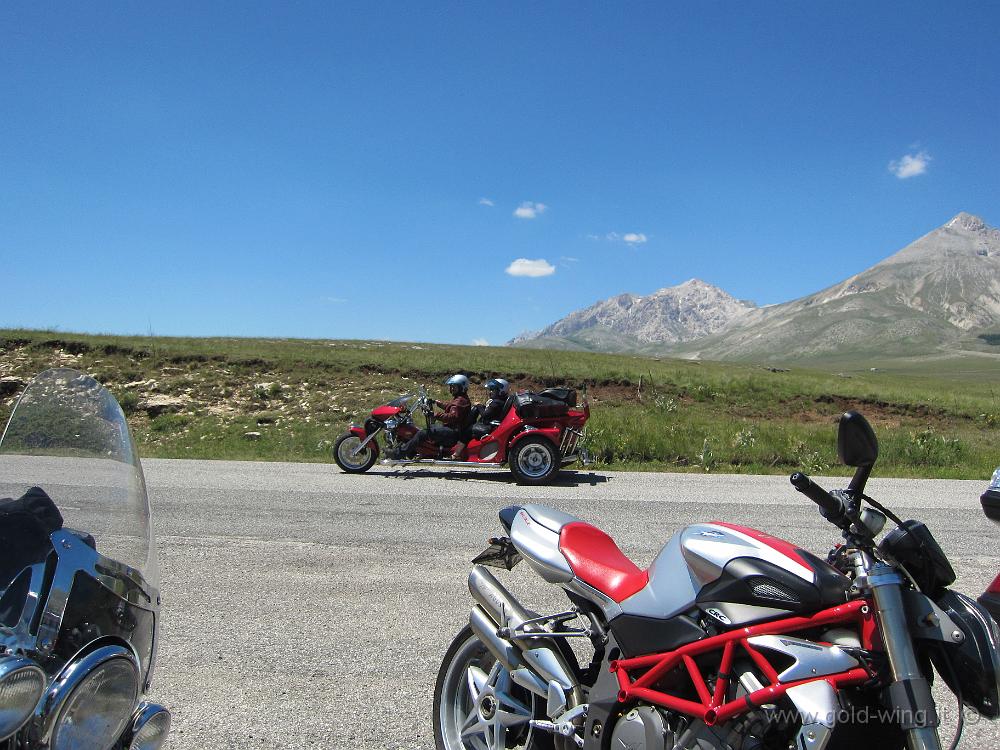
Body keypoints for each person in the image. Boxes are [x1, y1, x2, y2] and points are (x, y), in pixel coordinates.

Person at [398, 374, 472, 458]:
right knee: (428, 429)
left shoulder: (461, 401)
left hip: (453, 433)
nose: (451, 389)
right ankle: (418, 452)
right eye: (451, 386)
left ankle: (399, 453)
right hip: (453, 430)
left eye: (454, 387)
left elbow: (452, 417)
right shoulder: (460, 399)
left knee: (422, 433)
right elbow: (450, 406)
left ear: (462, 387)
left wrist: (434, 414)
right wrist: (436, 402)